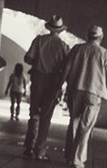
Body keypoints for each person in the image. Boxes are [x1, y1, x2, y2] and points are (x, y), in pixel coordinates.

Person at [61, 25, 107, 168]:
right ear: (101, 37)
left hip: (75, 90)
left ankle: (69, 156)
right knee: (85, 127)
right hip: (94, 93)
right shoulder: (105, 54)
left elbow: (66, 70)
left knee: (73, 122)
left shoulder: (77, 49)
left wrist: (58, 86)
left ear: (87, 36)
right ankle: (77, 159)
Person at [22, 15, 71, 160]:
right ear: (60, 30)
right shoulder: (64, 47)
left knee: (34, 114)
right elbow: (66, 67)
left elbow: (28, 58)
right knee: (46, 117)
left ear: (49, 27)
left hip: (38, 79)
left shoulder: (39, 41)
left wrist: (39, 60)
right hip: (53, 82)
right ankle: (40, 150)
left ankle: (29, 147)